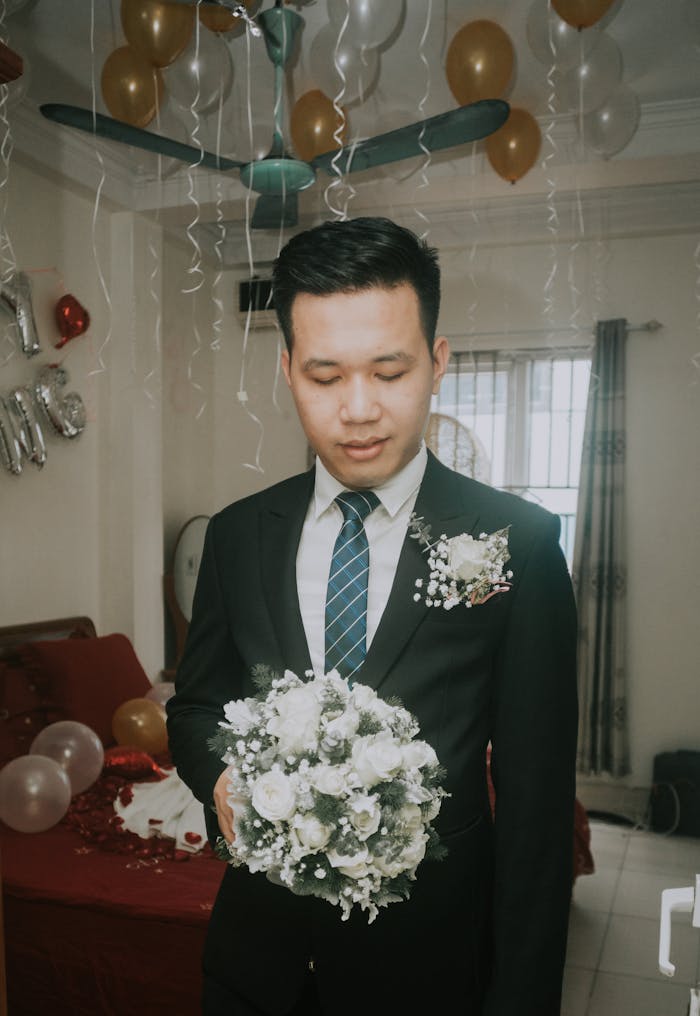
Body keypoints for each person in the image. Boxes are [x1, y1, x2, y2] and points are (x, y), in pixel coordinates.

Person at [166, 216, 578, 1016]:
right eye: (325, 377)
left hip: (425, 970)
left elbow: (534, 818)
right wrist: (218, 778)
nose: (358, 410)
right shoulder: (238, 533)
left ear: (438, 362)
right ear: (287, 369)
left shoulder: (517, 543)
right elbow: (194, 706)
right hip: (257, 965)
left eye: (390, 372)